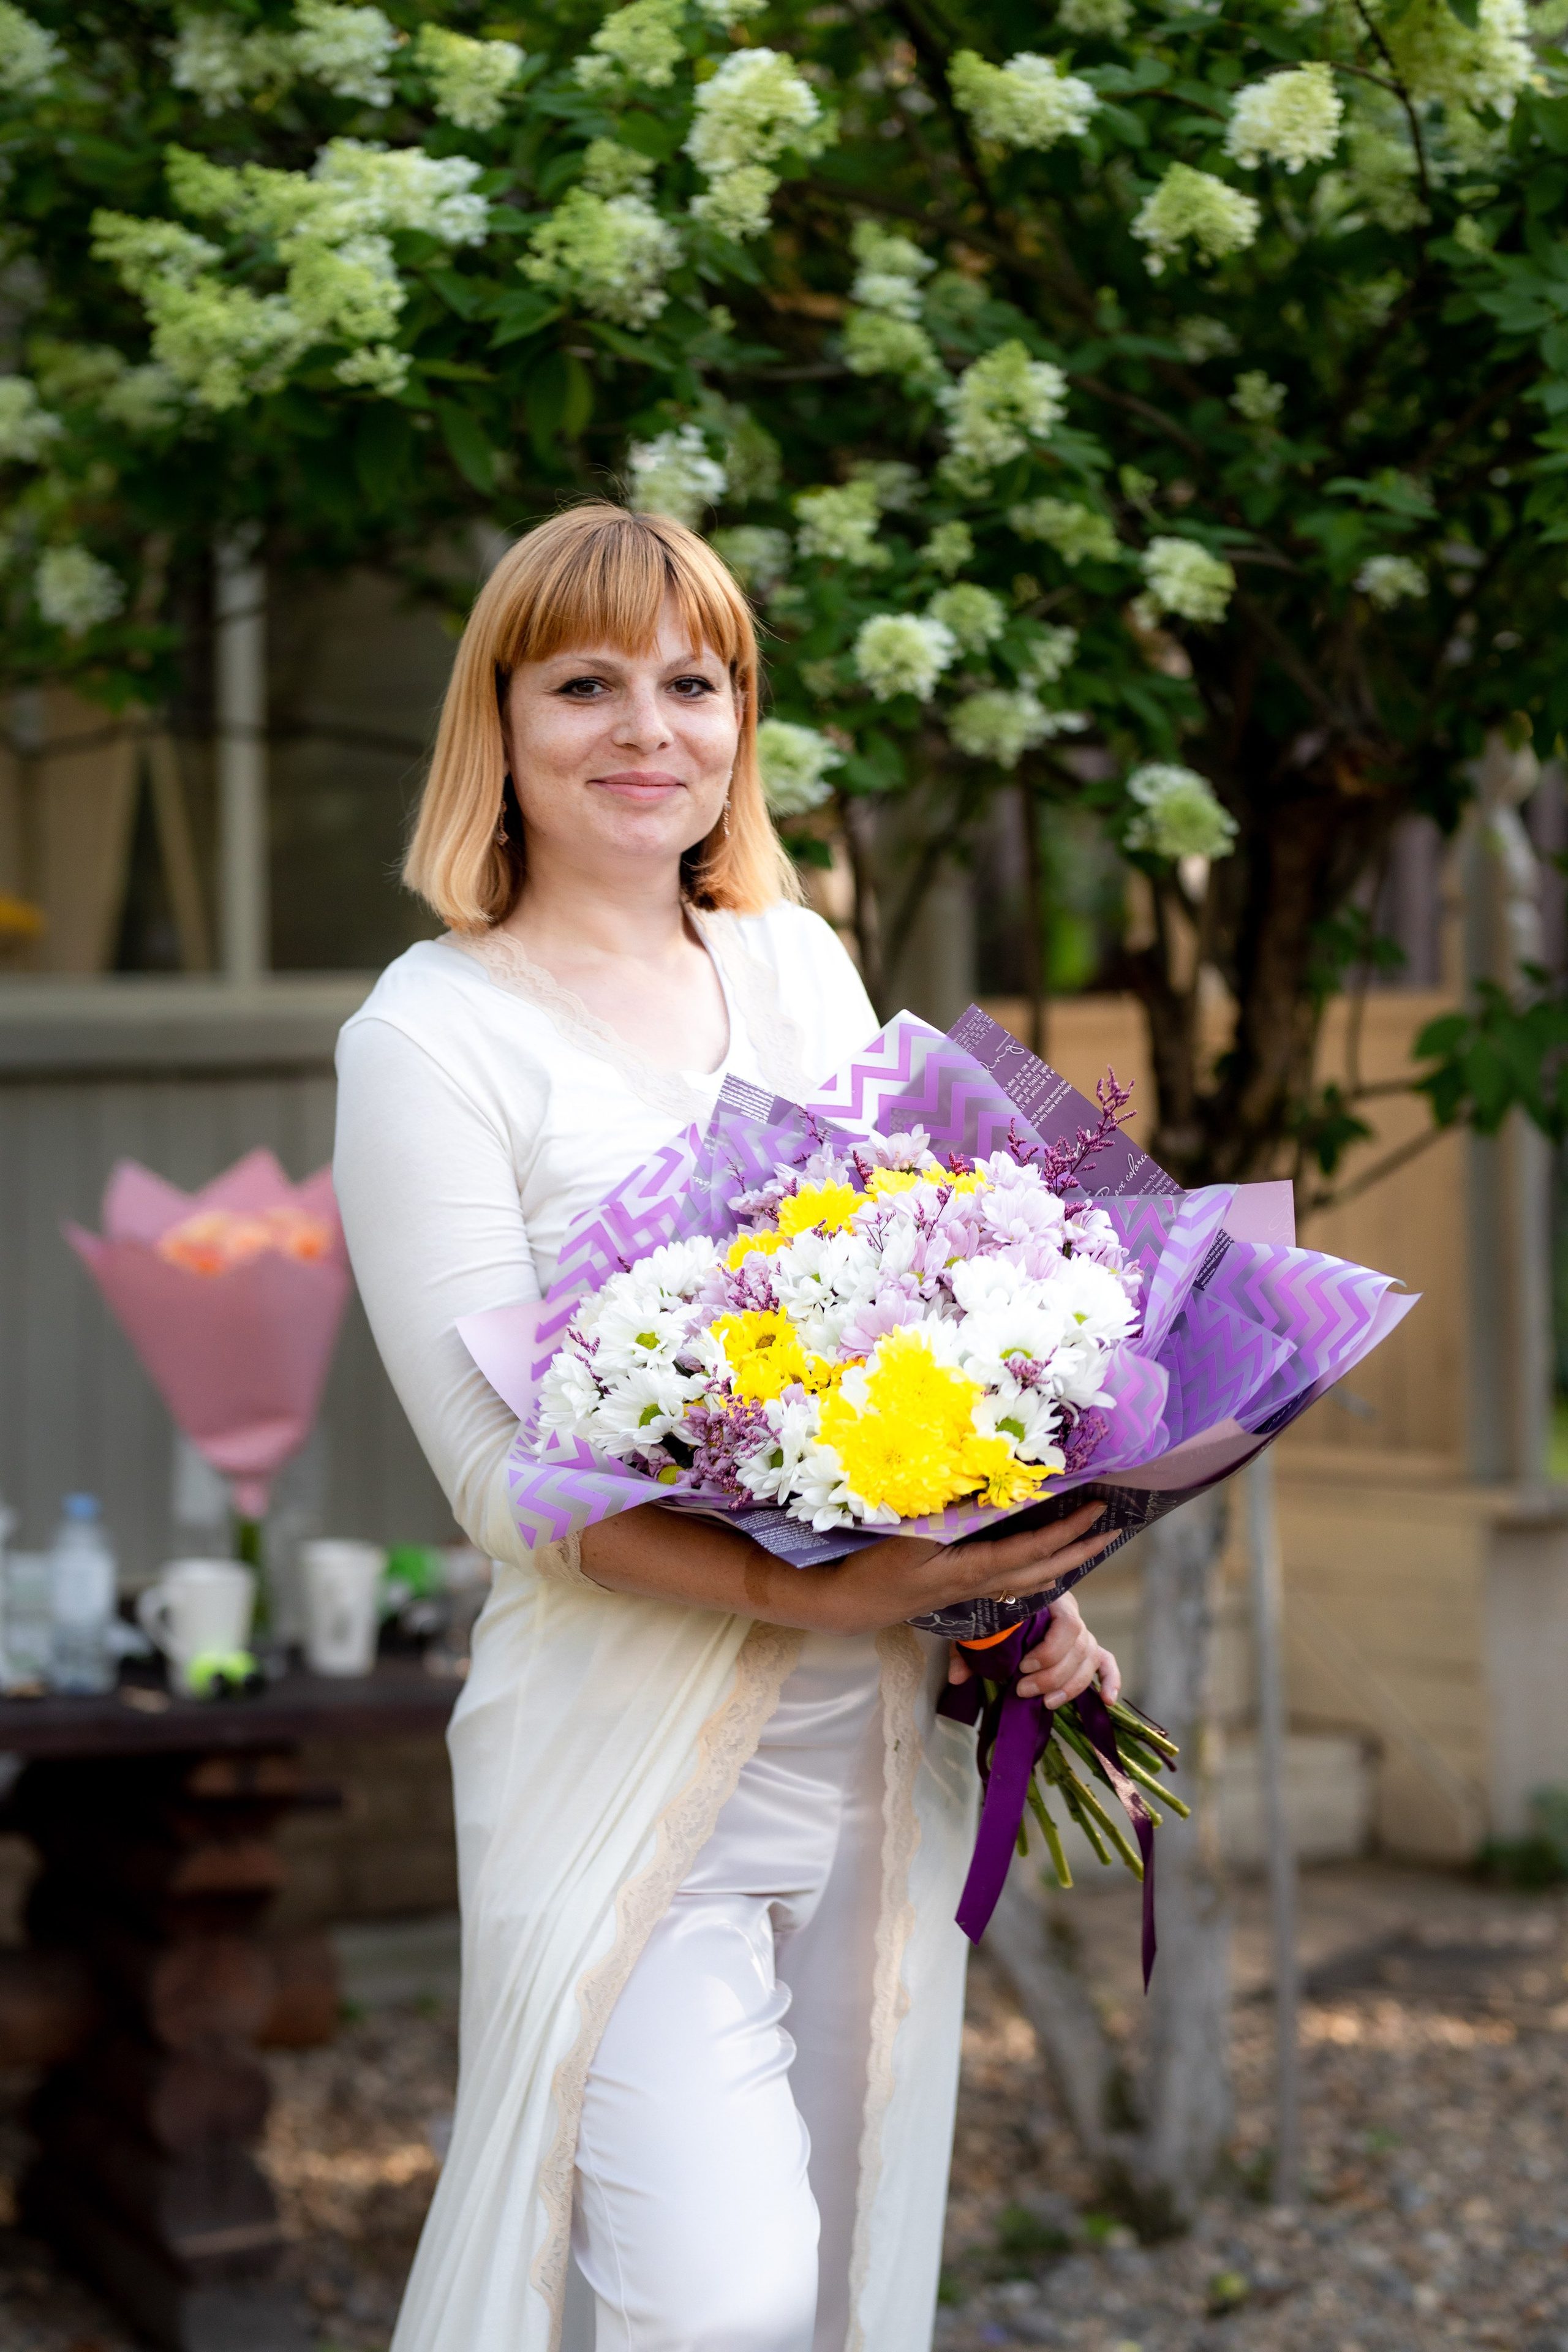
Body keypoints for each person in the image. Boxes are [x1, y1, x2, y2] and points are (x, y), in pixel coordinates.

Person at [334, 502, 1122, 2352]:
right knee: (724, 2299)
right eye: (586, 684)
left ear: (740, 723)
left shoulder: (798, 965)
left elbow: (936, 1344)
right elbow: (498, 1477)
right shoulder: (430, 1039)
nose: (646, 729)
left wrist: (1004, 1587)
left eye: (693, 683)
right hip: (620, 1748)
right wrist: (826, 1598)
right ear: (501, 723)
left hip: (871, 1751)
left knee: (844, 2283)